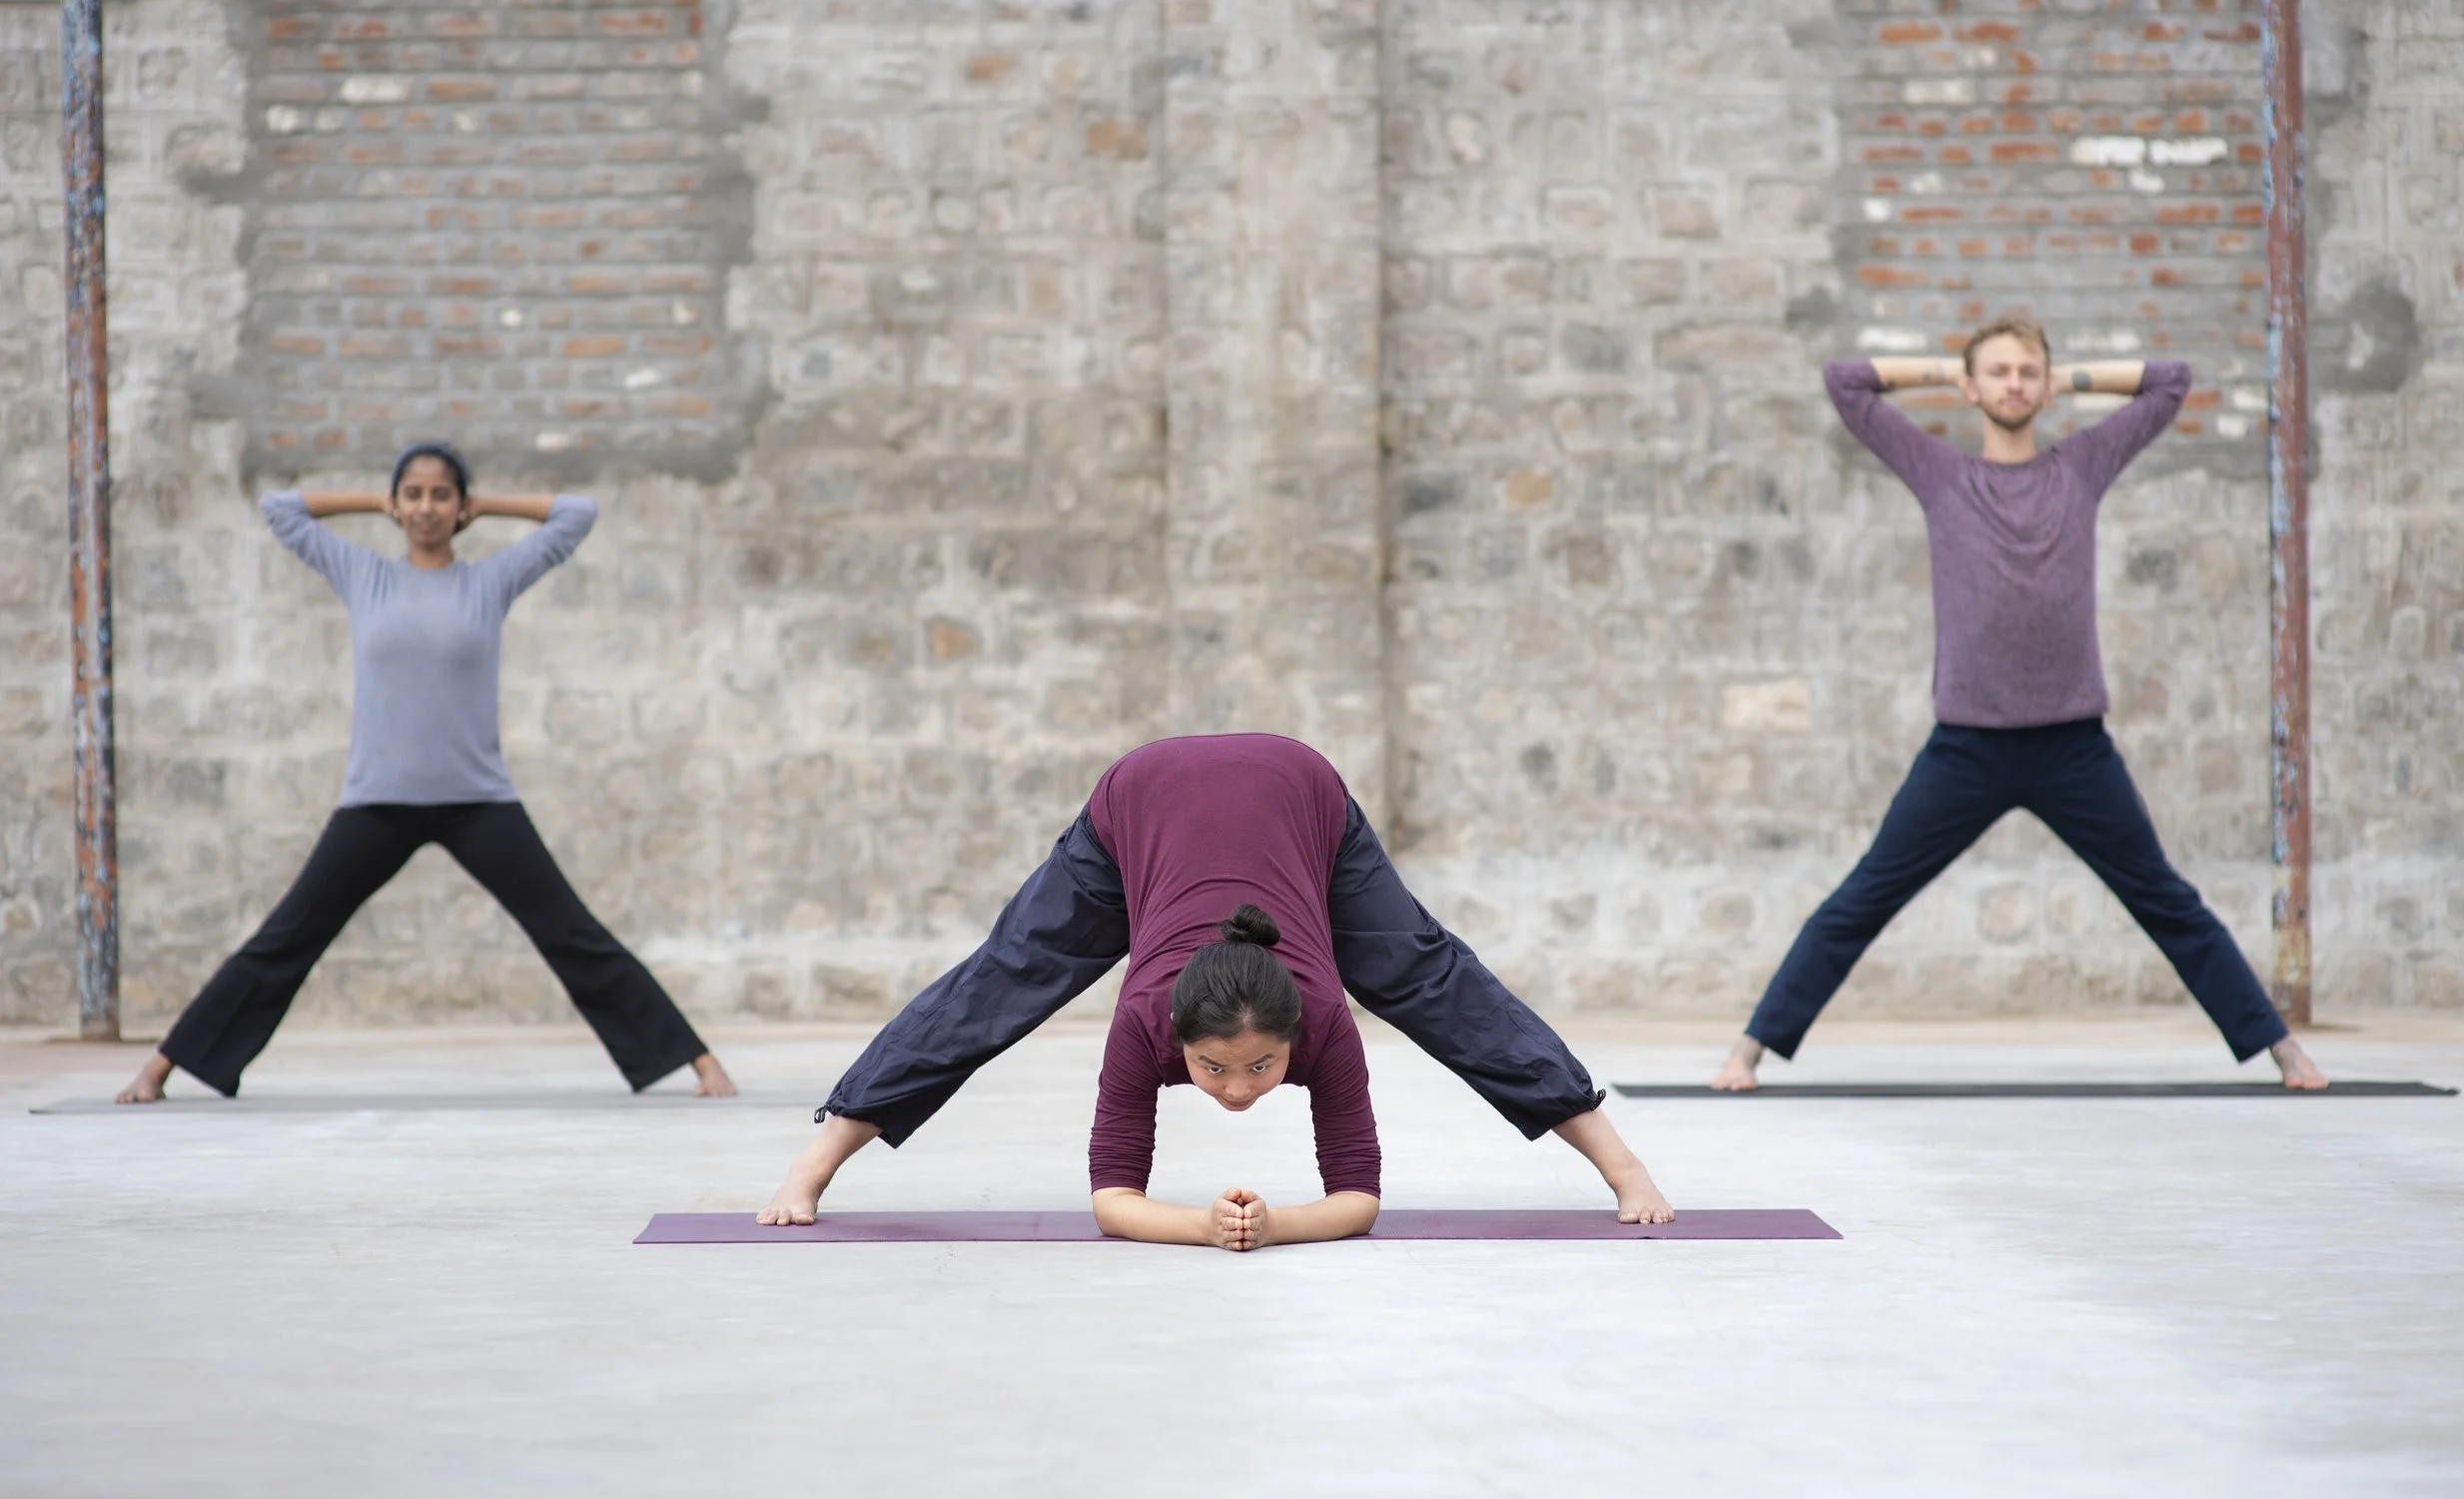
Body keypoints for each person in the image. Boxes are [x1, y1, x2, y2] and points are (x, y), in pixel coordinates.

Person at [1713, 317, 2328, 1092]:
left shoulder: (2080, 467)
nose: (2013, 385)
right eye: (1997, 373)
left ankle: (2282, 1050)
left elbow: (2169, 378)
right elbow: (1846, 379)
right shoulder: (1941, 475)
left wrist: (2059, 373)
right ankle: (1748, 1051)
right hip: (1966, 749)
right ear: (1973, 386)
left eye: (2026, 373)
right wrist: (1951, 368)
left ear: (2044, 383)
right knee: (1864, 897)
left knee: (2167, 900)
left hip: (2074, 748)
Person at [759, 733, 1672, 1246]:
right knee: (1011, 974)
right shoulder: (1139, 1023)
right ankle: (816, 1157)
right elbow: (1112, 1197)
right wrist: (1209, 1229)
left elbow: (1361, 1185)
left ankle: (1617, 1154)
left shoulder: (1323, 1020)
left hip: (1298, 790)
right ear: (1172, 1034)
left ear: (1298, 1032)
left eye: (1261, 1068)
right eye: (1215, 1070)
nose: (1237, 1094)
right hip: (1140, 804)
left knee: (1425, 972)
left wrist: (1626, 1178)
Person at [117, 443, 736, 1103]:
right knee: (289, 934)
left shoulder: (487, 582)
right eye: (411, 494)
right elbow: (283, 510)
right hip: (376, 801)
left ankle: (699, 1063)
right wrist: (372, 502)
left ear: (459, 506)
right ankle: (161, 1067)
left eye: (442, 495)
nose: (425, 507)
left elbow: (576, 515)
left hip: (478, 802)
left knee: (571, 931)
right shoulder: (364, 575)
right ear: (396, 503)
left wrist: (485, 505)